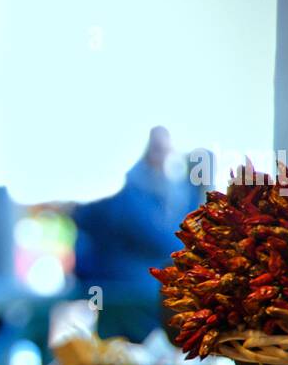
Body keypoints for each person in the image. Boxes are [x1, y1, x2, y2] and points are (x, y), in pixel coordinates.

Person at [73, 126, 198, 343]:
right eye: (157, 150)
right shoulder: (131, 192)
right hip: (128, 296)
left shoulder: (155, 190)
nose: (163, 157)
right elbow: (167, 243)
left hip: (112, 294)